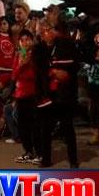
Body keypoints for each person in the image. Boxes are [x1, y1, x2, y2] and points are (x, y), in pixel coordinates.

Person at [34, 21, 80, 168]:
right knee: (45, 128)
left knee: (67, 127)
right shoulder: (39, 49)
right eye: (40, 32)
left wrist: (64, 73)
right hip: (48, 93)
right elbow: (39, 69)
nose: (43, 34)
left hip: (64, 93)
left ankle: (73, 160)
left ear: (52, 31)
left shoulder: (66, 45)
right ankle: (46, 159)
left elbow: (74, 66)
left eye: (45, 31)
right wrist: (53, 71)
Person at [11, 30, 40, 164]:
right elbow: (14, 75)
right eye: (22, 40)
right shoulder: (19, 55)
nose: (25, 42)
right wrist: (22, 65)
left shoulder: (36, 55)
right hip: (20, 94)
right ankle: (28, 151)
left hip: (32, 93)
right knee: (22, 125)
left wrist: (28, 64)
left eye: (27, 39)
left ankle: (39, 152)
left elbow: (35, 75)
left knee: (34, 125)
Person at [86, 35, 99, 146]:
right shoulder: (92, 62)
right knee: (93, 112)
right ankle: (96, 133)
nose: (98, 54)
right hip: (92, 91)